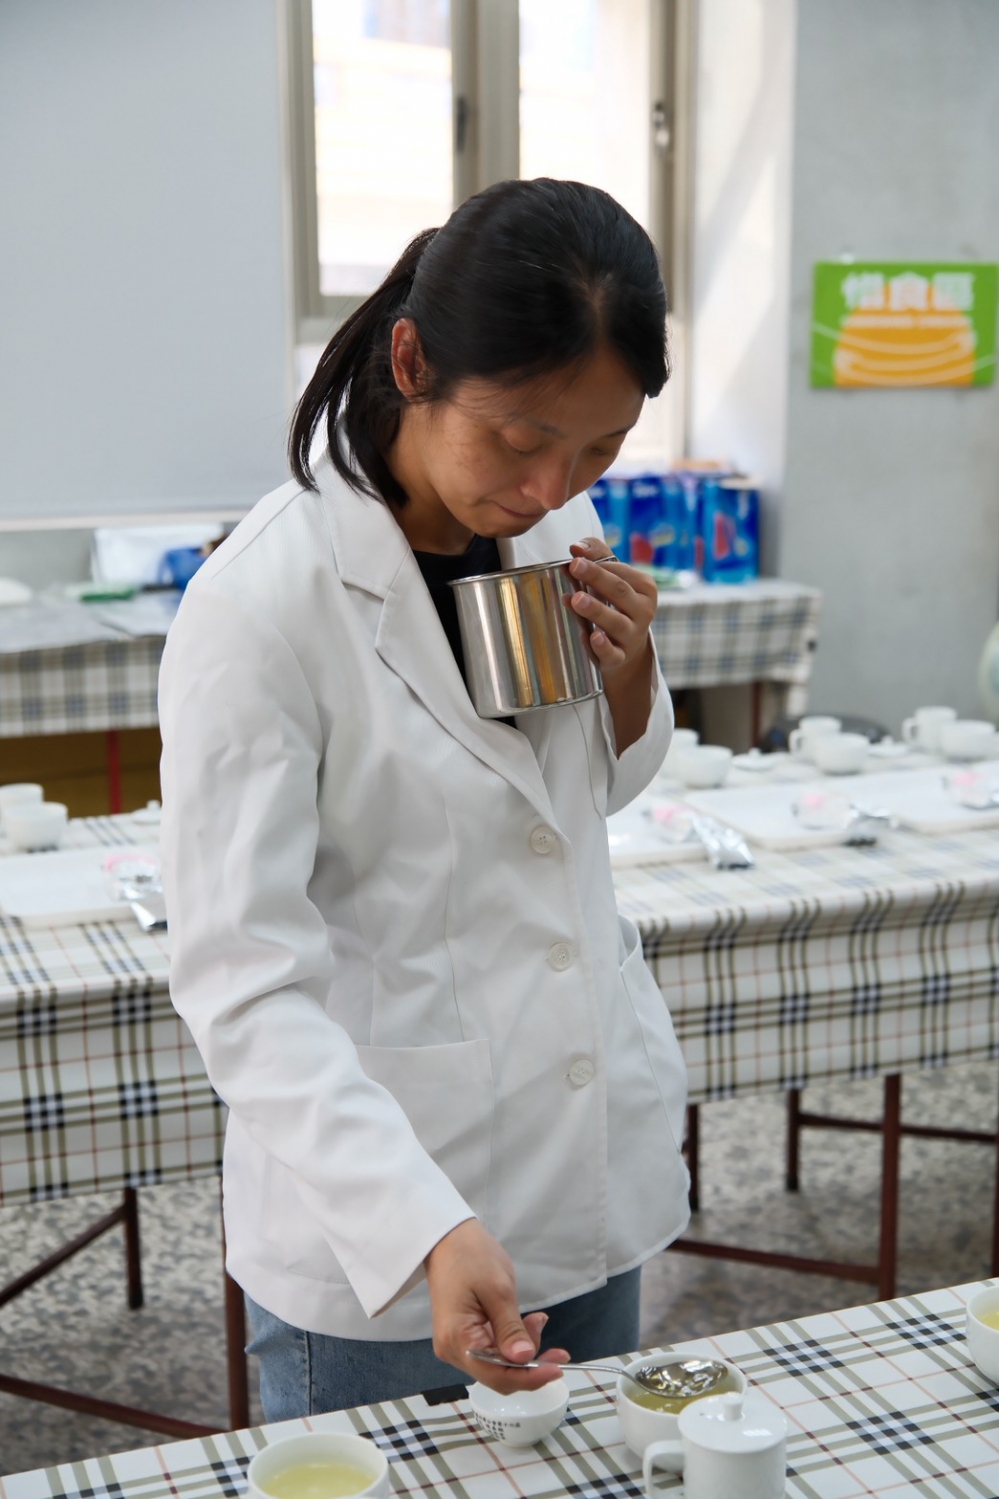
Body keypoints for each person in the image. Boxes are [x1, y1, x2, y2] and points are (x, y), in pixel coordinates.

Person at [158, 177, 690, 1420]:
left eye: (600, 446)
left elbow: (571, 807)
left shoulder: (549, 526)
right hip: (389, 1226)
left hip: (581, 1166)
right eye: (520, 438)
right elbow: (242, 981)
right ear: (411, 361)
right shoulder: (262, 607)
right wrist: (421, 1220)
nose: (554, 484)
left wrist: (631, 686)